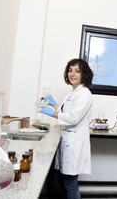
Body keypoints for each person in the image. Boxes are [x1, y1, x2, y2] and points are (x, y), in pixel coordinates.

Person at [39, 58, 94, 199]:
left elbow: (74, 117)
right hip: (66, 140)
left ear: (84, 74)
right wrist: (55, 105)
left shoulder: (85, 93)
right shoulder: (72, 93)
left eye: (77, 71)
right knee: (60, 179)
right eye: (70, 70)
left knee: (70, 182)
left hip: (73, 142)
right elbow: (66, 112)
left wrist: (53, 113)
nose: (72, 74)